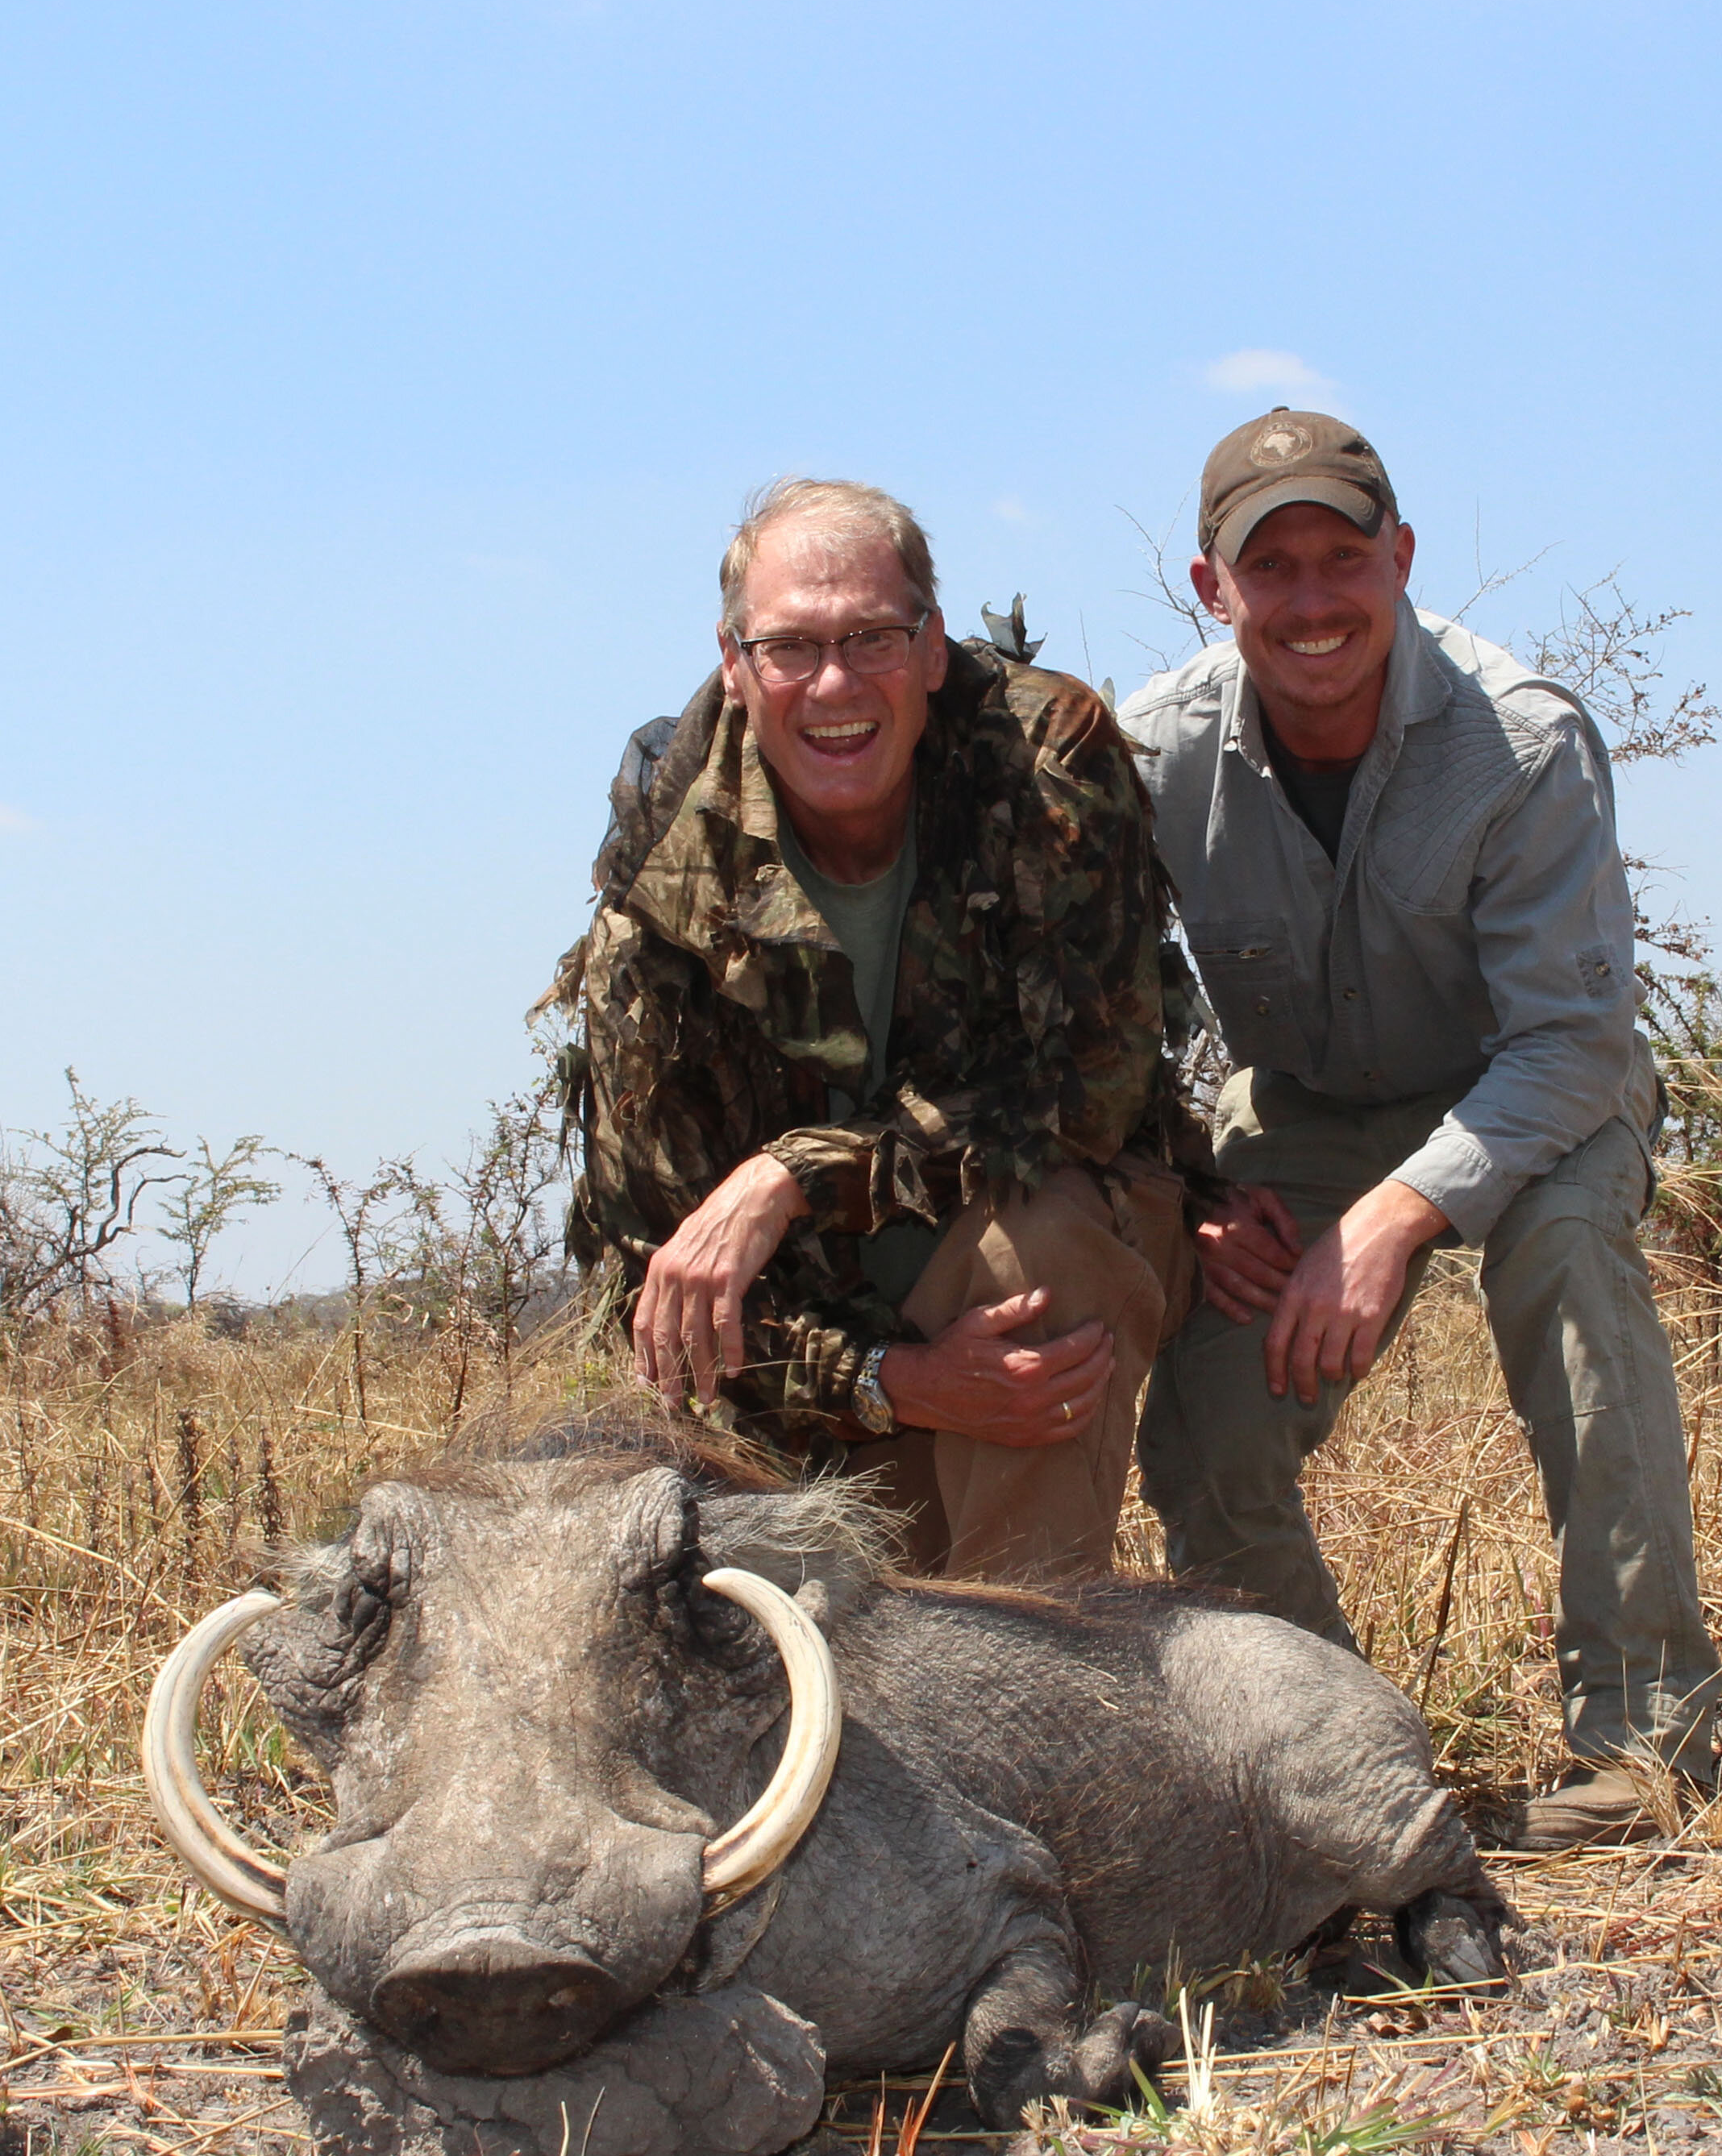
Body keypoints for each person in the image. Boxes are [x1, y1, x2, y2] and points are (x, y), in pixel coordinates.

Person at [1119, 409, 1718, 1849]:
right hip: (1300, 1110)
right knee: (1205, 1413)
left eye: (1344, 558)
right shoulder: (1149, 757)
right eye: (1275, 571)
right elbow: (1104, 1028)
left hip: (1529, 1095)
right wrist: (1193, 1190)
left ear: (1400, 558)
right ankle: (1341, 1772)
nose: (1314, 602)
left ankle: (1652, 1748)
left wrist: (1394, 1221)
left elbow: (1572, 1041)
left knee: (1571, 1263)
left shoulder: (1521, 738)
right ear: (1214, 589)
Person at [545, 476, 1203, 1579]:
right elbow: (655, 1276)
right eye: (792, 648)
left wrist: (792, 1175)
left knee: (1043, 1261)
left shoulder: (1048, 765)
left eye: (875, 638)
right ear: (734, 661)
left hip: (1036, 1257)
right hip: (824, 1352)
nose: (835, 683)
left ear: (935, 648)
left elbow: (1088, 1091)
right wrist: (890, 1382)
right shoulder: (665, 876)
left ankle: (1027, 1717)